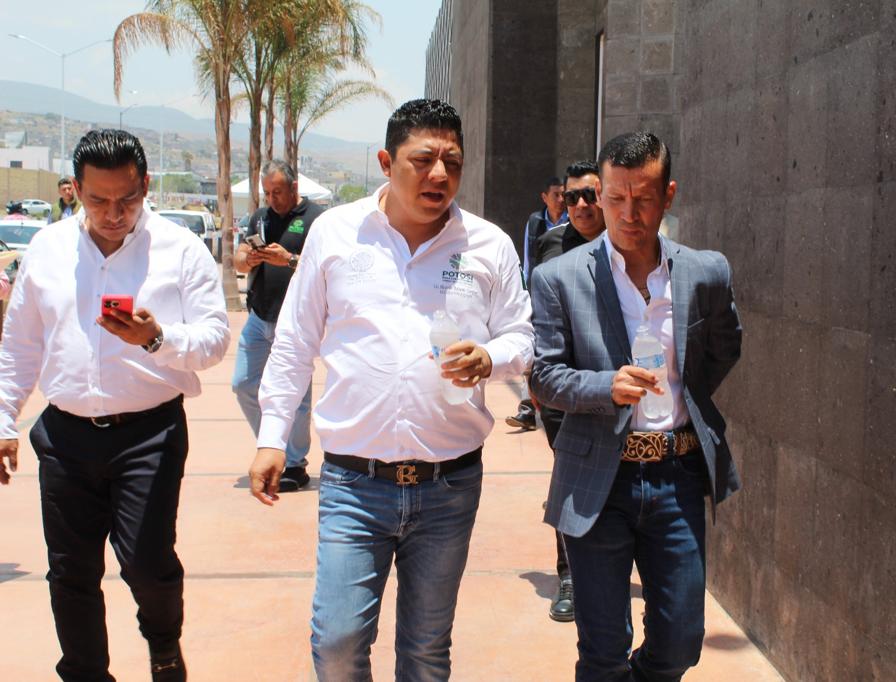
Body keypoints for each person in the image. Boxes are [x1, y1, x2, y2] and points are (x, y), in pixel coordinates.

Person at [247, 99, 533, 681]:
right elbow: (295, 341)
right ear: (386, 161)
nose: (439, 175)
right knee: (337, 643)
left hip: (448, 485)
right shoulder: (336, 234)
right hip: (354, 485)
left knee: (426, 651)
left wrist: (491, 358)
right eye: (422, 160)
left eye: (452, 162)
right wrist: (273, 437)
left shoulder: (488, 245)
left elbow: (522, 336)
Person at [0, 129, 230, 682]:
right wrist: (4, 418)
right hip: (65, 438)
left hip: (149, 436)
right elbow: (21, 343)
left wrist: (157, 338)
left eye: (126, 199)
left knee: (148, 565)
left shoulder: (180, 249)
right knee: (70, 572)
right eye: (98, 200)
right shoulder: (48, 249)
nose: (112, 214)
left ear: (145, 185)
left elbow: (214, 340)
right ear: (75, 189)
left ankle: (164, 643)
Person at [530, 131, 742, 681]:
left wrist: (685, 392)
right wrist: (607, 386)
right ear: (600, 195)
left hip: (677, 475)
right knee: (602, 651)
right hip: (598, 479)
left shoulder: (705, 272)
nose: (629, 213)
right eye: (616, 198)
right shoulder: (557, 279)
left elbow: (724, 348)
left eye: (643, 199)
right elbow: (545, 377)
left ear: (668, 195)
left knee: (680, 641)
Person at [529, 159, 607, 623]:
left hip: (618, 389)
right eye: (571, 196)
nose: (579, 204)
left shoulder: (625, 243)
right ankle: (571, 576)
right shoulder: (550, 244)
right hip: (564, 391)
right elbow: (535, 316)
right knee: (570, 480)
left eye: (589, 195)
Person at [232, 160, 323, 491]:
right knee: (243, 384)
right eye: (267, 193)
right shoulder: (260, 217)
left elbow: (321, 268)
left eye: (278, 192)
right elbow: (240, 258)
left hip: (295, 321)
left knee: (297, 398)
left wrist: (289, 260)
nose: (272, 199)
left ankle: (295, 465)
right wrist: (248, 258)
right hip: (259, 317)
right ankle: (274, 446)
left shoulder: (316, 220)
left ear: (294, 187)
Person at [505, 175, 567, 431]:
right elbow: (528, 260)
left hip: (564, 296)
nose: (562, 200)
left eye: (564, 195)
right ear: (544, 197)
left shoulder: (573, 220)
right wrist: (527, 293)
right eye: (556, 195)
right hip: (538, 294)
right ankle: (527, 409)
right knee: (532, 349)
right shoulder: (535, 221)